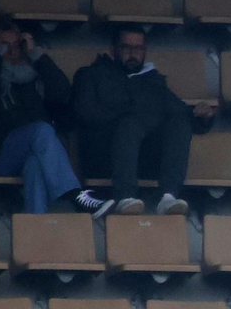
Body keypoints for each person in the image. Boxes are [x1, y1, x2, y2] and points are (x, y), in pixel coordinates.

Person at [0, 19, 113, 217]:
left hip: (32, 151)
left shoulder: (33, 76)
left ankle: (36, 224)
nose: (11, 51)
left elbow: (62, 94)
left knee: (35, 164)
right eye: (3, 46)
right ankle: (76, 196)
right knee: (41, 129)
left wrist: (37, 55)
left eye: (16, 45)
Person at [72, 25, 215, 216]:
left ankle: (168, 197)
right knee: (129, 123)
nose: (133, 54)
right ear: (113, 50)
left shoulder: (152, 81)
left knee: (178, 123)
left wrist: (204, 116)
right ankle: (125, 197)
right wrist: (129, 111)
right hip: (103, 157)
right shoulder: (90, 75)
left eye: (138, 49)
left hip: (142, 160)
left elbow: (180, 112)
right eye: (126, 48)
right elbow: (84, 114)